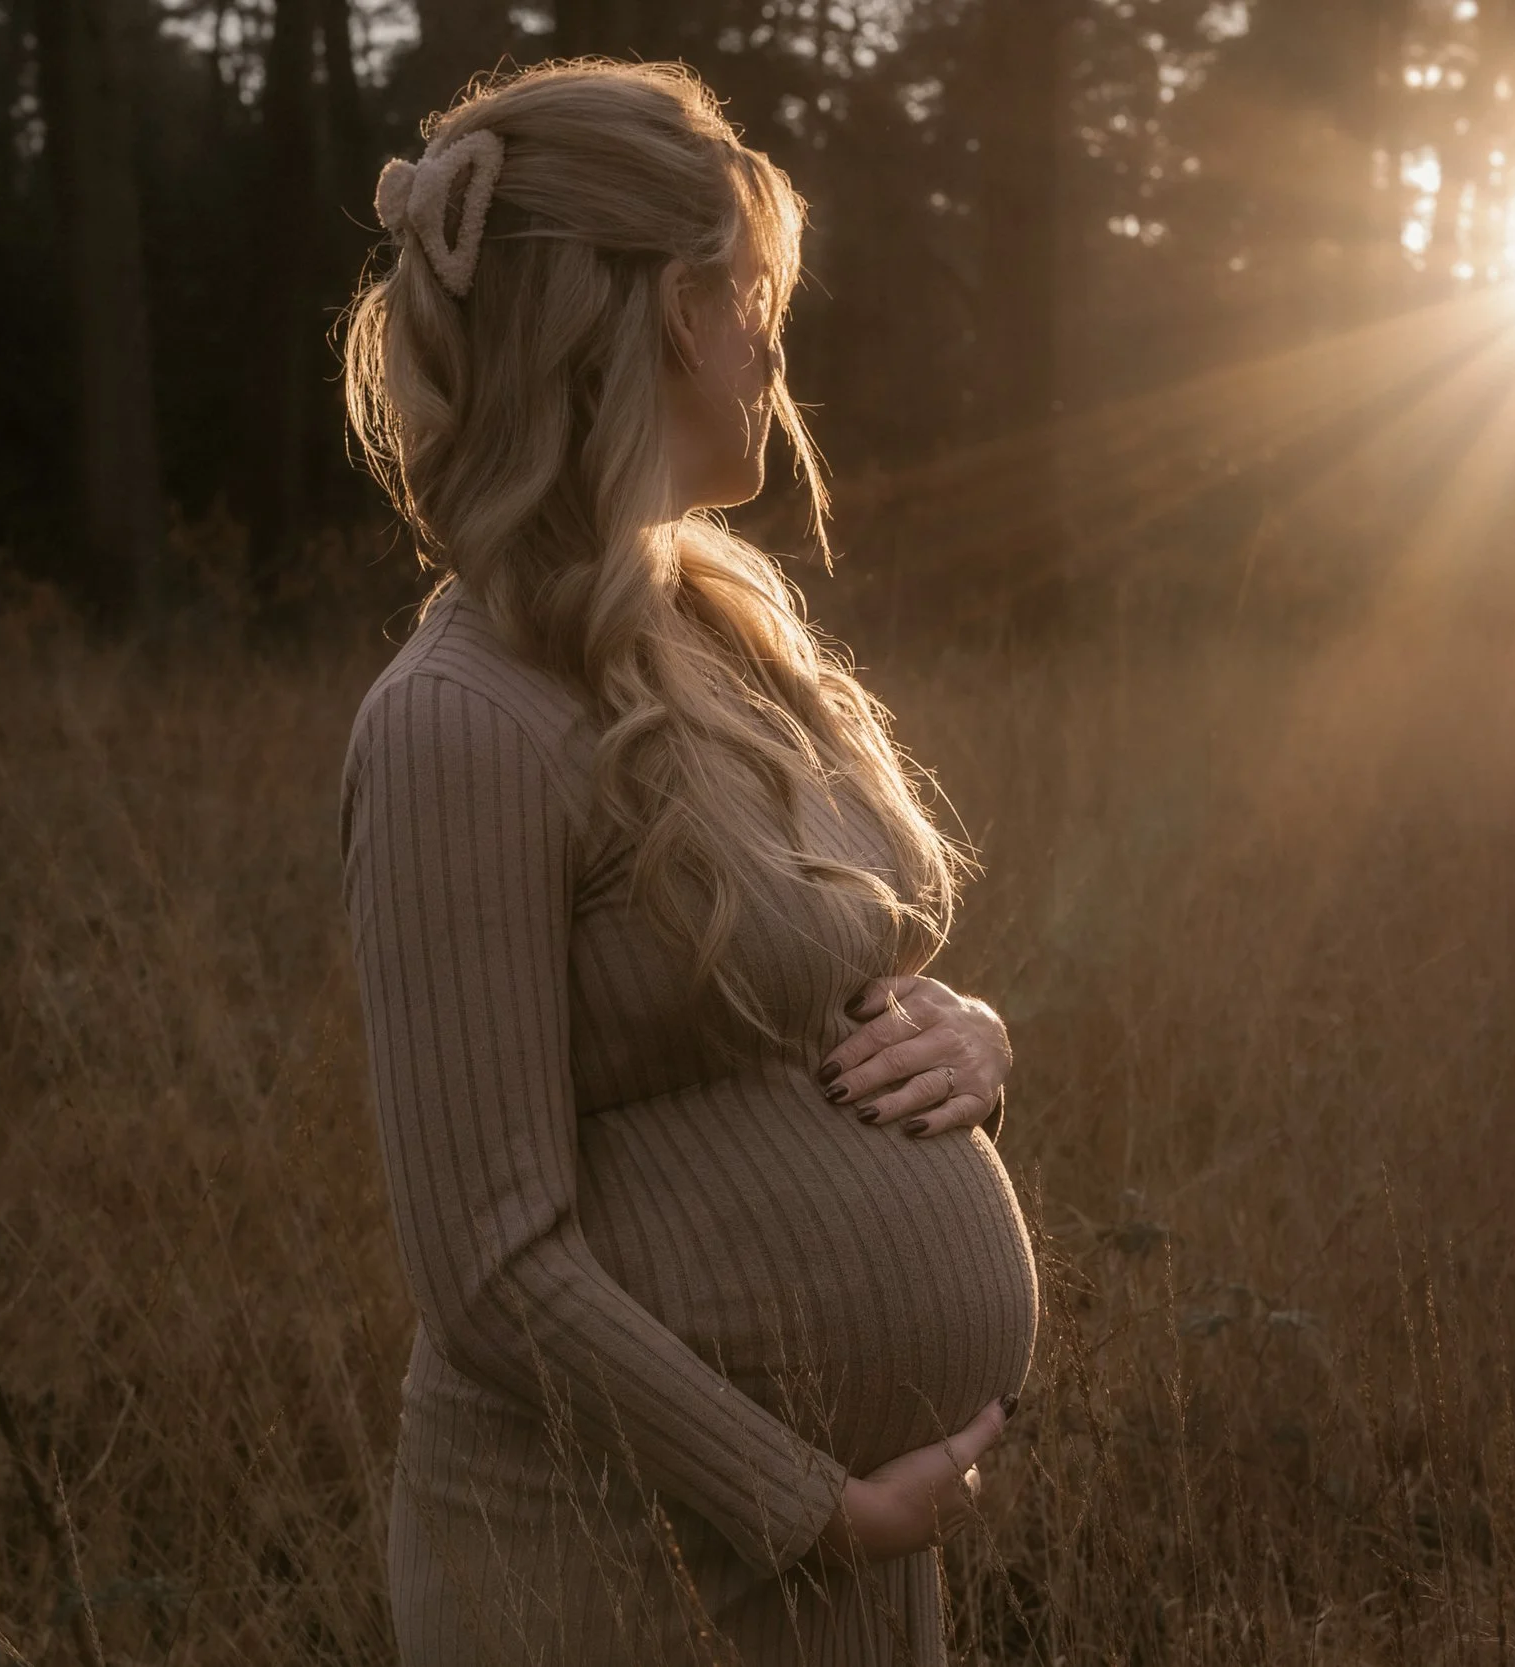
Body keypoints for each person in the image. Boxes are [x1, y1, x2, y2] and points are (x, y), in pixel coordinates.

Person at [337, 58, 1038, 1665]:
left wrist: (968, 1038)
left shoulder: (719, 637)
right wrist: (807, 1502)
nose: (773, 345)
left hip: (847, 1551)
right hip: (621, 1575)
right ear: (654, 317)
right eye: (749, 296)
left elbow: (823, 991)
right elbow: (490, 1263)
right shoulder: (457, 720)